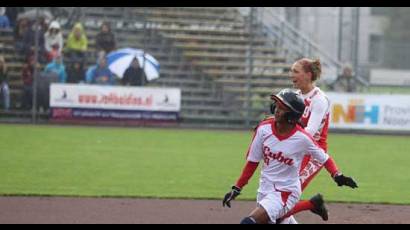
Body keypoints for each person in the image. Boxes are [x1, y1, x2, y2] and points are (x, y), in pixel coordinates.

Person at [222, 89, 356, 224]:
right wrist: (237, 188)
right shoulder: (263, 129)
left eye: (282, 108)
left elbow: (324, 157)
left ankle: (312, 204)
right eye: (277, 105)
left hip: (286, 192)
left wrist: (337, 175)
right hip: (264, 190)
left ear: (292, 115)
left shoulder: (302, 138)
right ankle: (313, 204)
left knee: (249, 222)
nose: (277, 110)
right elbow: (252, 162)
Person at [277, 58, 358, 224]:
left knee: (278, 209)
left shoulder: (319, 99)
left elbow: (309, 132)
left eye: (296, 71)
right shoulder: (296, 96)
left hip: (313, 154)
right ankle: (312, 204)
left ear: (308, 75)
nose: (291, 74)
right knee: (278, 206)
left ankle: (313, 204)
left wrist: (285, 140)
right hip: (296, 151)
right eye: (291, 71)